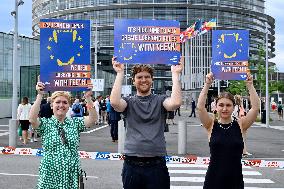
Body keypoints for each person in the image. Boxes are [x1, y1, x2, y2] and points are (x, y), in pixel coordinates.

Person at [110, 56, 184, 189]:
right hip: (132, 164)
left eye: (147, 77)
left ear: (152, 80)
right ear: (134, 81)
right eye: (139, 77)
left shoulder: (161, 100)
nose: (143, 80)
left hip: (156, 164)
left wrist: (175, 74)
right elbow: (115, 103)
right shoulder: (129, 102)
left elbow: (175, 103)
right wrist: (120, 73)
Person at [197, 72, 259, 189]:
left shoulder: (241, 125)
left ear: (234, 107)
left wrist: (250, 85)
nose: (224, 108)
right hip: (213, 180)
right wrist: (207, 85)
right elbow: (200, 108)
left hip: (235, 181)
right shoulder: (211, 125)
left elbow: (255, 108)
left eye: (228, 105)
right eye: (221, 105)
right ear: (216, 107)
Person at [29, 82, 97, 189]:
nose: (61, 105)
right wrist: (40, 95)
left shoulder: (75, 123)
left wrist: (88, 98)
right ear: (52, 105)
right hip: (50, 172)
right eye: (58, 102)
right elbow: (32, 119)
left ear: (69, 106)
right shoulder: (45, 124)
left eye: (65, 102)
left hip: (71, 172)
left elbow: (93, 119)